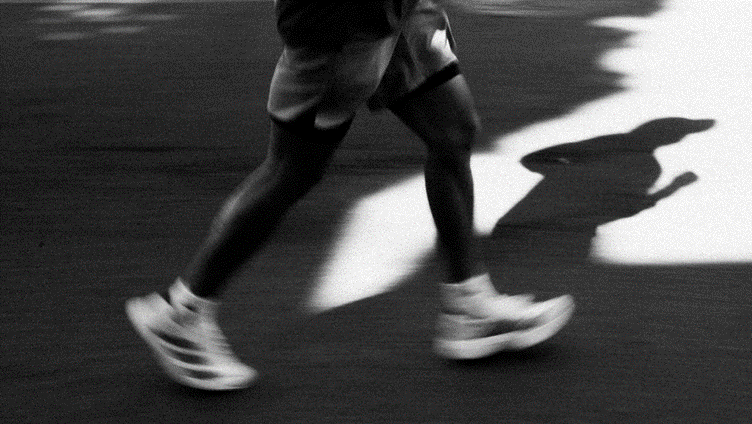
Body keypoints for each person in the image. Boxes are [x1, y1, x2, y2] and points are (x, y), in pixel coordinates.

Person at [125, 0, 574, 390]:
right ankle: (182, 316)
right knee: (292, 170)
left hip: (400, 12)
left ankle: (469, 306)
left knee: (453, 132)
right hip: (342, 20)